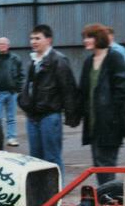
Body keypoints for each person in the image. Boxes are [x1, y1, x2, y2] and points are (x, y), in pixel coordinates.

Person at [18, 25, 79, 179]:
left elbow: (68, 88)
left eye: (38, 38)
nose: (33, 41)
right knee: (35, 160)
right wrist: (23, 101)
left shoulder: (58, 60)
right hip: (32, 117)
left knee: (52, 158)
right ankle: (40, 195)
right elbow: (27, 85)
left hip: (49, 116)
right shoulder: (32, 61)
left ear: (48, 39)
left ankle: (57, 195)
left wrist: (72, 115)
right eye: (32, 38)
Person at [78, 24, 125, 185]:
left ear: (98, 38)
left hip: (111, 124)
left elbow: (124, 86)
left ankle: (108, 201)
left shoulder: (114, 58)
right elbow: (83, 91)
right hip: (94, 124)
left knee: (106, 165)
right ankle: (105, 199)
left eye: (89, 37)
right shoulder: (89, 62)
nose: (85, 40)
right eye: (85, 37)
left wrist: (111, 113)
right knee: (98, 164)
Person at [0, 37, 25, 147]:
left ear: (8, 46)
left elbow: (21, 75)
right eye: (0, 44)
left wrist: (18, 89)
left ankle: (11, 138)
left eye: (4, 44)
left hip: (11, 93)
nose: (2, 46)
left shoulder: (15, 59)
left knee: (11, 118)